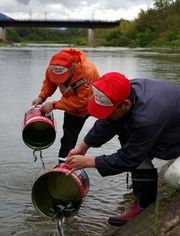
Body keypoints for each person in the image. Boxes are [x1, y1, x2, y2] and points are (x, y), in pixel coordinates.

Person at [65, 72, 180, 226]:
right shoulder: (123, 90)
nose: (105, 115)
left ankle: (143, 203)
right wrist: (83, 146)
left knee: (173, 176)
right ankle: (143, 200)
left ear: (125, 104)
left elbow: (128, 158)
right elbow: (108, 122)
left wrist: (90, 161)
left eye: (108, 112)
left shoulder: (146, 119)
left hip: (168, 127)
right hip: (171, 122)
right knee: (126, 131)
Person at [32, 48, 100, 161]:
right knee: (67, 140)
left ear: (72, 66)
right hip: (72, 109)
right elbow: (49, 83)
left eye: (63, 76)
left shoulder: (88, 71)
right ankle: (63, 167)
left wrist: (54, 105)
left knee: (115, 127)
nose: (60, 80)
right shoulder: (53, 67)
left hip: (95, 104)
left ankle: (130, 156)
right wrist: (42, 97)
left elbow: (82, 100)